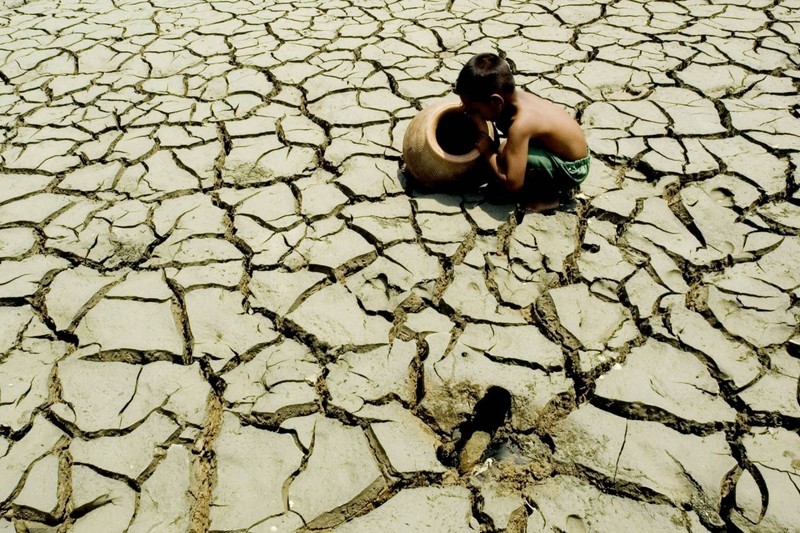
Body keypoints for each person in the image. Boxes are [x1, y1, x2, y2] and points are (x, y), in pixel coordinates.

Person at [454, 52, 590, 212]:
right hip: (564, 153)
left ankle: (550, 198)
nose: (470, 112)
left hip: (572, 170)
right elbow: (497, 118)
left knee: (504, 156)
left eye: (474, 109)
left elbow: (513, 183)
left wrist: (488, 152)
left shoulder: (521, 125)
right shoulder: (515, 100)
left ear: (496, 101)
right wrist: (475, 113)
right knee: (505, 151)